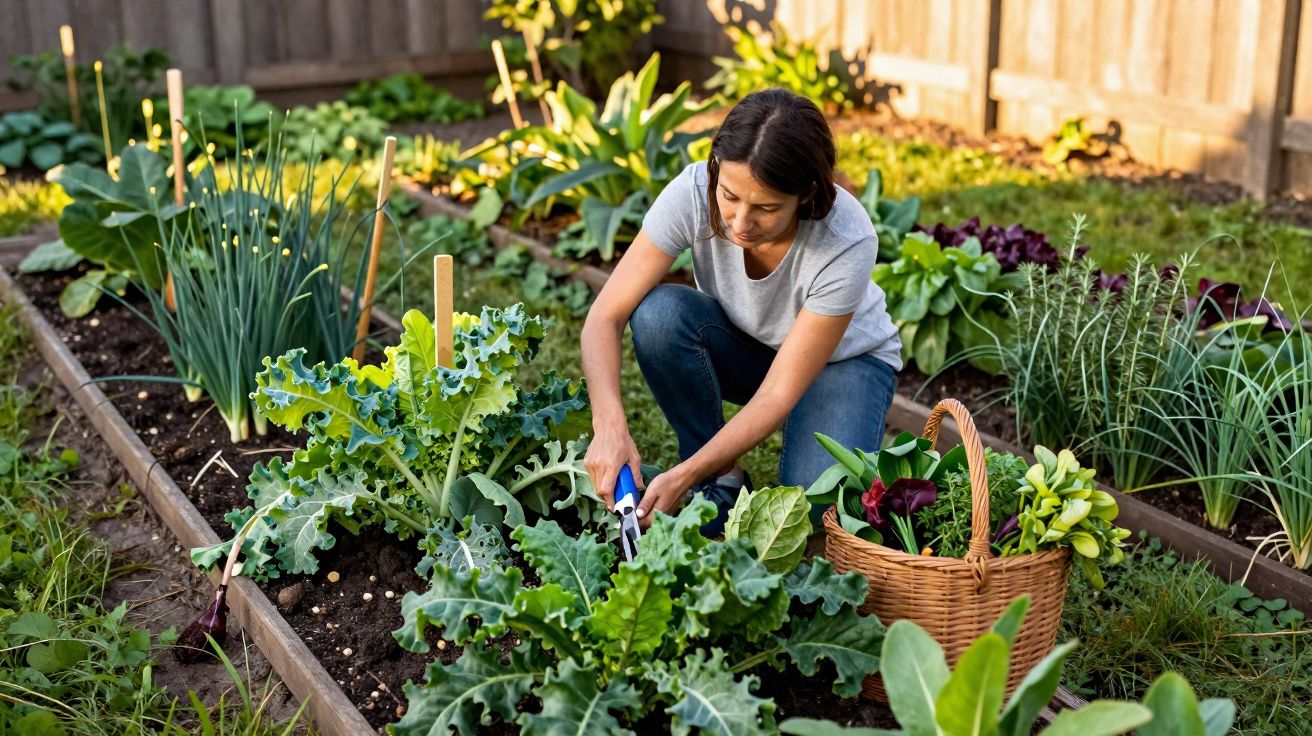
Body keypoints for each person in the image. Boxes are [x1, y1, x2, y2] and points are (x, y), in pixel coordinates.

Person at [580, 87, 901, 536]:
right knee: (658, 315)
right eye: (730, 196)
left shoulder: (846, 240)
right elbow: (604, 316)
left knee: (812, 518)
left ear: (805, 194)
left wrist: (682, 474)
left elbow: (777, 394)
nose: (740, 222)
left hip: (843, 363)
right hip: (749, 348)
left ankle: (714, 465)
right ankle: (722, 477)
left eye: (766, 208)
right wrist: (608, 425)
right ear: (715, 168)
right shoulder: (695, 191)